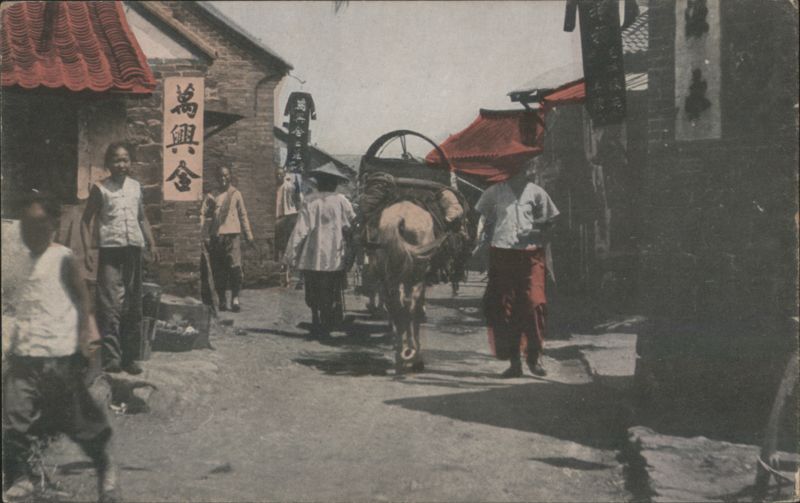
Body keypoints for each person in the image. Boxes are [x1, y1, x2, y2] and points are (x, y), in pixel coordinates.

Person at [3, 193, 120, 503]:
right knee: (13, 418)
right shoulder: (20, 262)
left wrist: (86, 340)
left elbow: (82, 299)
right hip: (25, 355)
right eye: (25, 226)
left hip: (58, 355)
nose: (31, 233)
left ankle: (105, 467)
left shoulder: (63, 258)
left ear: (53, 226)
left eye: (38, 225)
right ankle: (22, 477)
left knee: (79, 423)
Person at [81, 142, 158, 375]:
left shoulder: (136, 187)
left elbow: (142, 218)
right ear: (108, 163)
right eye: (116, 160)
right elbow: (86, 221)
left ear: (130, 162)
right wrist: (87, 250)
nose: (121, 164)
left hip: (133, 250)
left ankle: (129, 358)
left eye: (125, 160)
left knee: (133, 305)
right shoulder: (100, 189)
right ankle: (111, 358)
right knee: (109, 305)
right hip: (110, 252)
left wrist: (152, 243)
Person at [475, 167, 559, 378]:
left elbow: (551, 223)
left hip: (531, 256)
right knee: (506, 308)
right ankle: (514, 363)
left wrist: (534, 230)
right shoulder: (494, 192)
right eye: (512, 169)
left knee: (534, 304)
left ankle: (534, 358)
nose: (517, 174)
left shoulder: (536, 193)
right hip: (502, 255)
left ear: (527, 171)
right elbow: (484, 220)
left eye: (521, 169)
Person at [284, 162, 355, 336]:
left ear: (319, 182)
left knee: (313, 288)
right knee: (332, 289)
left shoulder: (310, 200)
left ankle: (316, 319)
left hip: (313, 255)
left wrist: (290, 254)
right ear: (334, 183)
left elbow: (301, 229)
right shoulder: (342, 201)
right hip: (334, 255)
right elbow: (352, 223)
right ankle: (327, 321)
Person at [201, 166, 255, 312]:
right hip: (217, 236)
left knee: (235, 267)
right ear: (217, 178)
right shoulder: (212, 195)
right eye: (220, 176)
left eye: (225, 175)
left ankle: (235, 298)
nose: (223, 179)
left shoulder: (236, 194)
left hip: (232, 235)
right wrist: (202, 230)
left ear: (230, 176)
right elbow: (203, 214)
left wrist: (249, 235)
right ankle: (222, 300)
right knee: (219, 270)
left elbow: (243, 215)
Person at [275, 168, 303, 287]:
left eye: (280, 174)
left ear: (284, 175)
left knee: (287, 245)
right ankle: (285, 273)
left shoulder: (289, 186)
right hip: (281, 217)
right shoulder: (277, 187)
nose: (279, 176)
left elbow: (298, 198)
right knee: (282, 246)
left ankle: (289, 273)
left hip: (289, 216)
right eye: (277, 174)